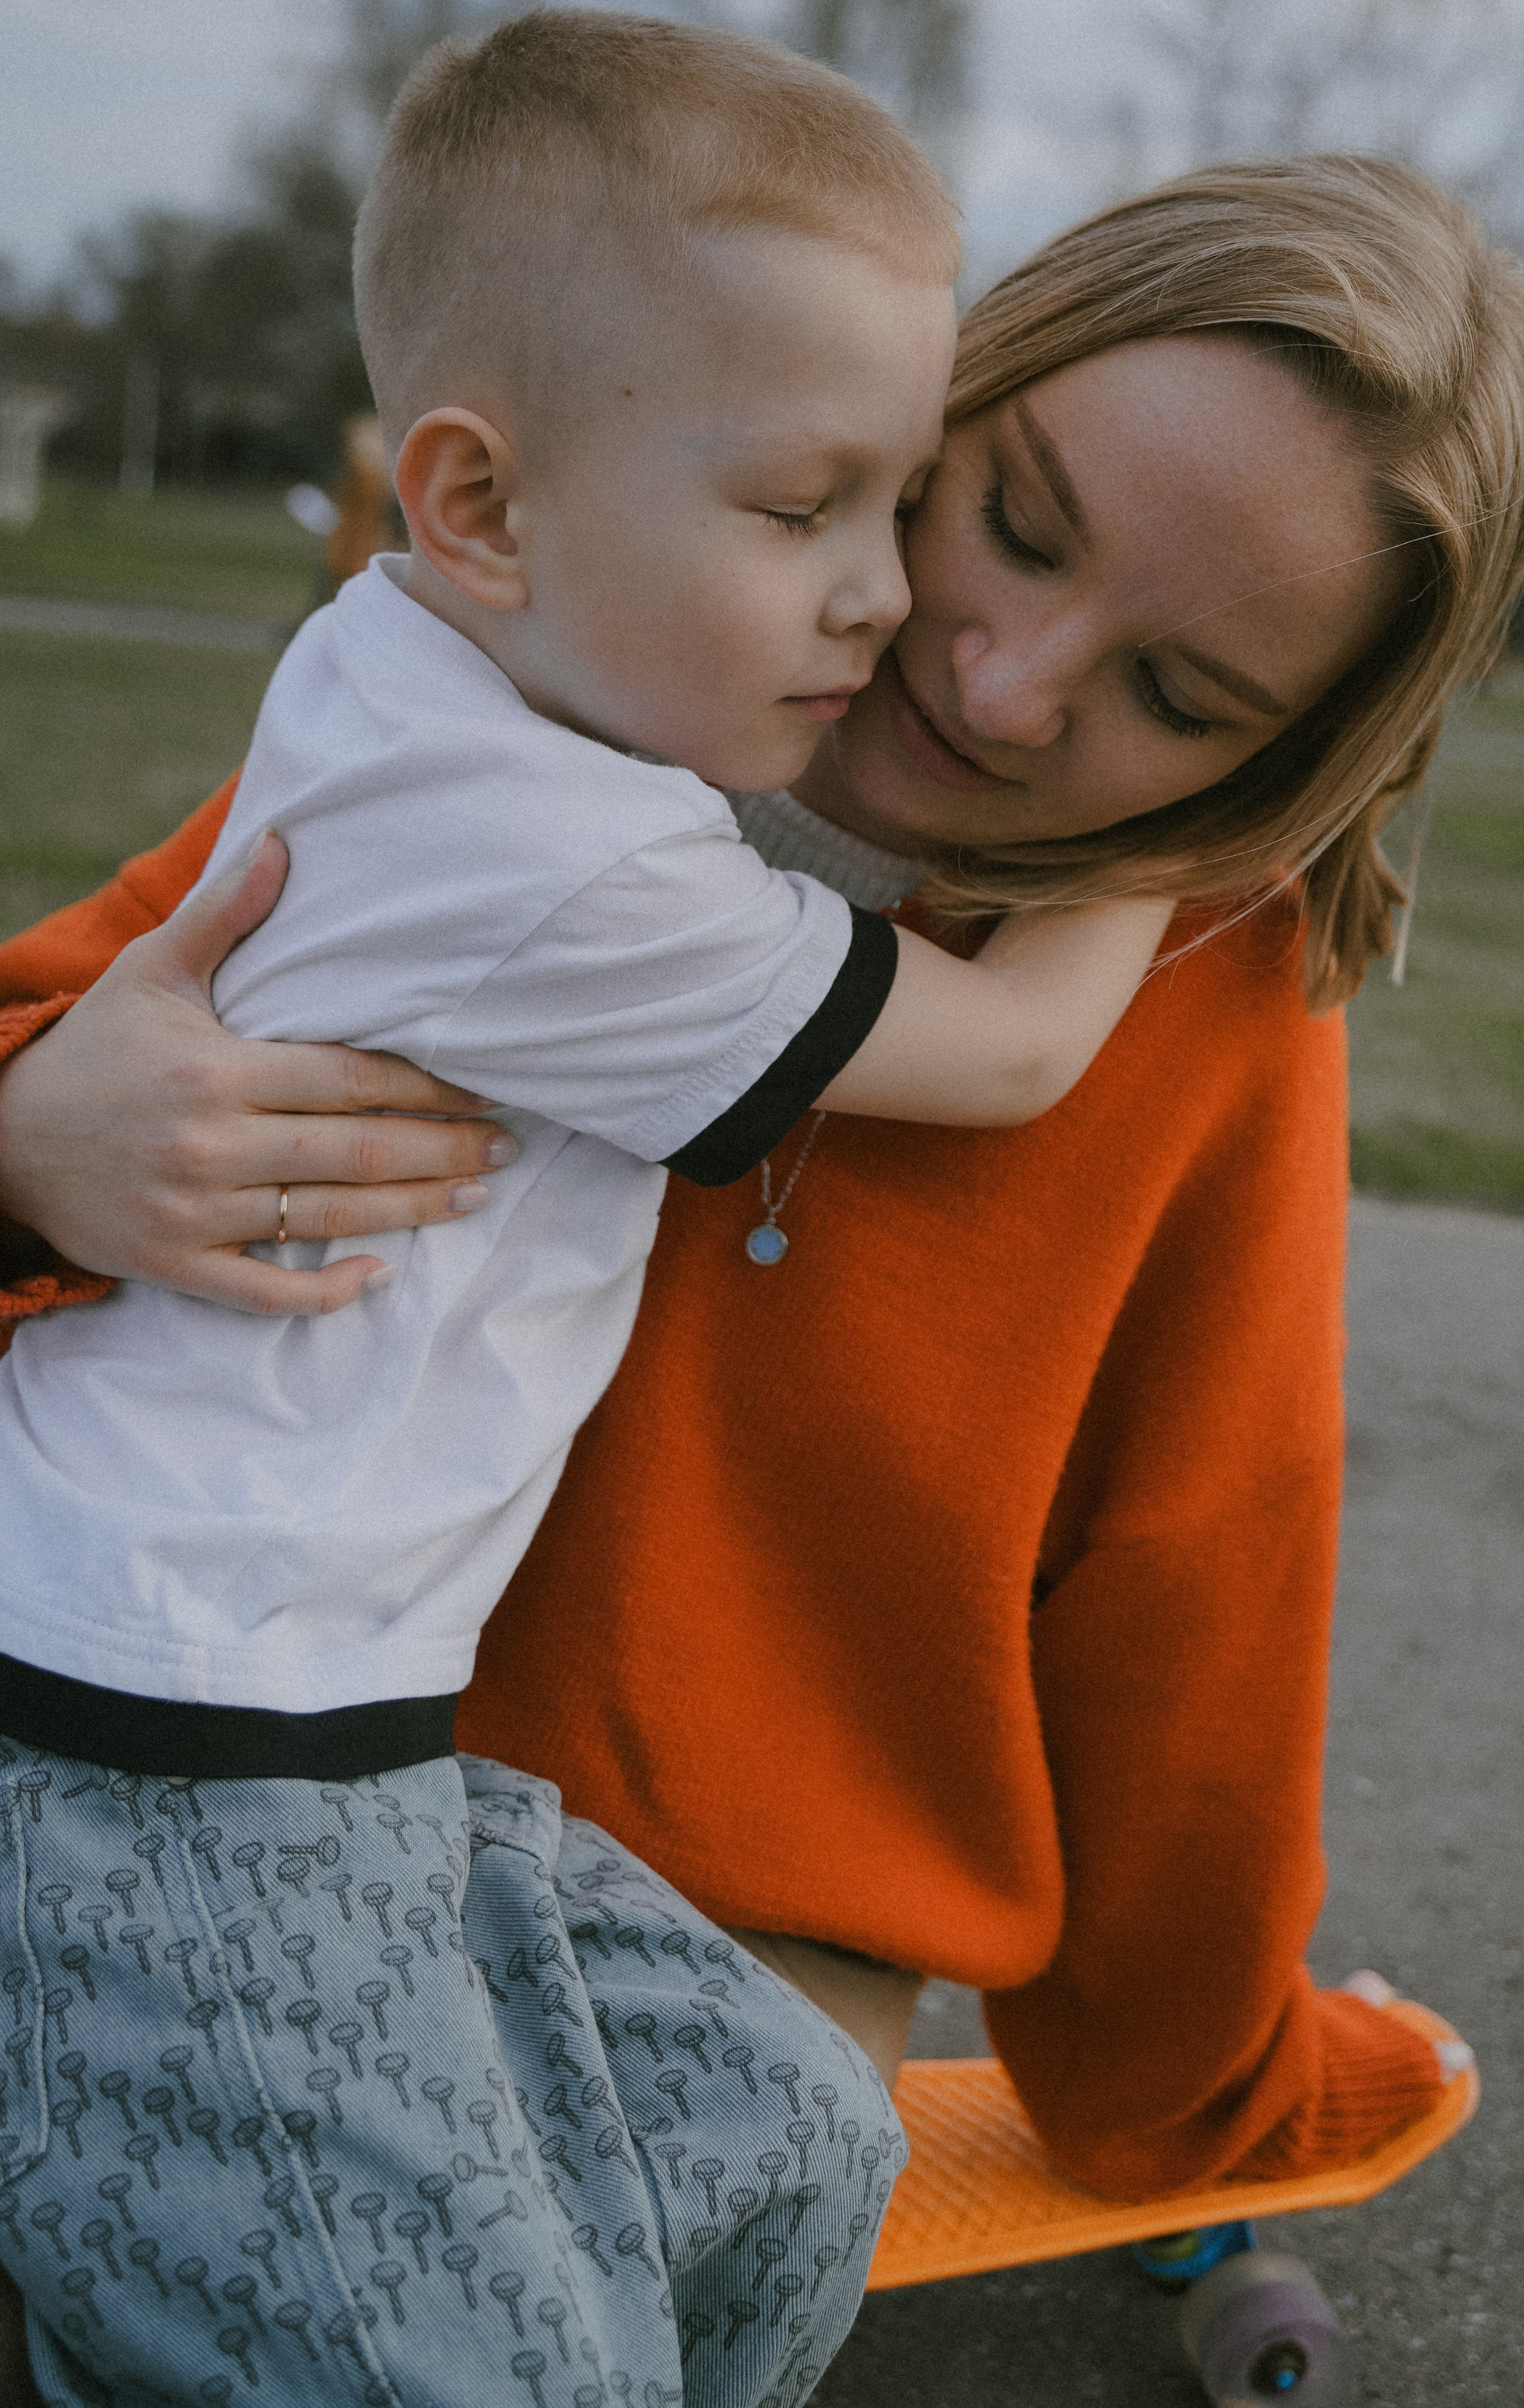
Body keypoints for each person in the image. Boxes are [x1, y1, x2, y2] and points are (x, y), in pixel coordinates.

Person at [0, 150, 1524, 2275]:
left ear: (1295, 758)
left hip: (704, 1926)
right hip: (164, 1744)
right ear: (928, 388)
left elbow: (1200, 1579)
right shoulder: (545, 700)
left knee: (585, 2237)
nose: (1006, 687)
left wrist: (1195, 2089)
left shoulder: (1210, 991)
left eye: (1182, 700)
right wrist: (32, 1133)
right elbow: (62, 1012)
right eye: (1017, 522)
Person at [0, 19, 1179, 2408]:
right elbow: (1018, 1050)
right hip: (155, 1751)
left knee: (787, 2139)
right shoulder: (562, 864)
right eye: (801, 508)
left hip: (317, 1724)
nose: (883, 600)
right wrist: (1217, 819)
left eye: (906, 502)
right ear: (481, 502)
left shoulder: (418, 674)